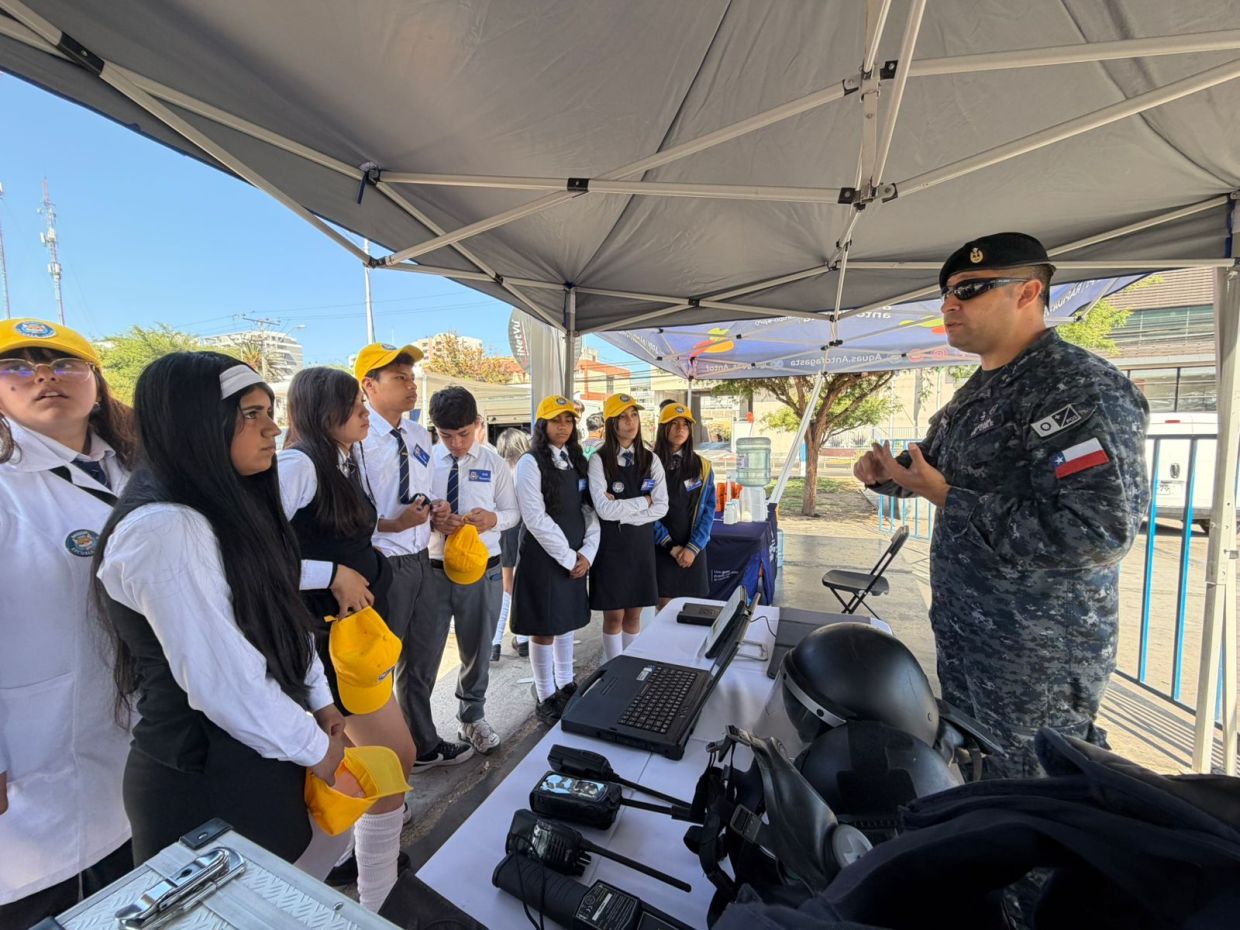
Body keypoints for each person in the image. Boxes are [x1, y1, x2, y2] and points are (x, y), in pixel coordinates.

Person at [853, 232, 1150, 780]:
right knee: (981, 784)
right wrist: (887, 476)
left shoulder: (1076, 388)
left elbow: (1097, 532)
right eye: (946, 293)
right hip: (970, 639)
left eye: (969, 289)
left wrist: (947, 498)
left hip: (1035, 656)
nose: (949, 304)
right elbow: (936, 470)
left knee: (1034, 800)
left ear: (1028, 292)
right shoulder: (979, 391)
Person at [95, 352, 346, 867]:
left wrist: (320, 700)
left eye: (269, 412)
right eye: (251, 414)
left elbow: (278, 610)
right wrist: (315, 748)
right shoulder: (165, 527)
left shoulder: (226, 504)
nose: (272, 429)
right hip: (206, 783)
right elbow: (225, 681)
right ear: (194, 423)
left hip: (258, 755)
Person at [0, 319, 136, 926]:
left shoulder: (134, 469)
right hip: (33, 757)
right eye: (17, 367)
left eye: (64, 364)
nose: (44, 378)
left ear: (96, 382)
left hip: (129, 741)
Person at [277, 366, 416, 910]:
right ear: (321, 411)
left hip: (354, 640)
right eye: (351, 403)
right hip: (326, 645)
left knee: (374, 766)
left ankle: (366, 878)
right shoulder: (298, 465)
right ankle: (374, 895)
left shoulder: (340, 460)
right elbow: (252, 556)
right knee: (388, 761)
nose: (363, 411)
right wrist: (331, 573)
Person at [355, 344, 474, 774]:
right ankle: (381, 759)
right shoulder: (356, 439)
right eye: (399, 378)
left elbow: (425, 489)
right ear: (369, 385)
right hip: (382, 563)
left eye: (411, 377)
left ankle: (422, 744)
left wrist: (439, 508)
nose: (411, 386)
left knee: (423, 656)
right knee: (380, 665)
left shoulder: (418, 435)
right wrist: (392, 524)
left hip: (421, 557)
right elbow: (347, 513)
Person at [426, 386, 520, 755]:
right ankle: (419, 733)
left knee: (478, 650)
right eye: (446, 435)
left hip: (484, 570)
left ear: (477, 424)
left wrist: (492, 519)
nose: (456, 444)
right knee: (422, 654)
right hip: (433, 569)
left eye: (463, 434)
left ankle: (472, 717)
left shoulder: (493, 463)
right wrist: (433, 519)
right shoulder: (425, 461)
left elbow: (512, 514)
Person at [511, 396, 599, 723]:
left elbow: (589, 509)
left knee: (566, 621)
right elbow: (535, 517)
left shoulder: (576, 460)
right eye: (556, 420)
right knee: (544, 626)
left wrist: (587, 553)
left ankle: (565, 683)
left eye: (568, 420)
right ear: (542, 425)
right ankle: (545, 694)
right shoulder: (530, 463)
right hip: (544, 558)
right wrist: (567, 556)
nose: (563, 426)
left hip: (575, 555)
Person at [587, 393, 668, 659]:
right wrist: (643, 501)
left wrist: (623, 514)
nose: (630, 422)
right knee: (613, 616)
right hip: (610, 548)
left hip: (640, 546)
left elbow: (662, 507)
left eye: (634, 415)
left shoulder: (651, 459)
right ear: (611, 423)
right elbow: (603, 509)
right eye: (622, 417)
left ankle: (629, 666)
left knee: (634, 613)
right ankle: (612, 668)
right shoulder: (599, 460)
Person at [653, 403, 716, 610]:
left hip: (693, 549)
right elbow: (645, 510)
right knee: (665, 609)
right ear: (663, 428)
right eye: (674, 423)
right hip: (661, 548)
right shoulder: (649, 464)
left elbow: (708, 509)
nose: (680, 429)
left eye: (685, 424)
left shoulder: (702, 466)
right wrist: (669, 545)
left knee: (693, 610)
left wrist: (693, 547)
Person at [493, 427, 531, 662]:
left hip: (505, 530)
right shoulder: (528, 468)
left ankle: (495, 642)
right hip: (527, 529)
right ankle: (523, 638)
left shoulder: (500, 469)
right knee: (523, 584)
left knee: (506, 586)